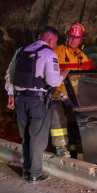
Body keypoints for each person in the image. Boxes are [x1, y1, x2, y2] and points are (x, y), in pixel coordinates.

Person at [5, 26, 62, 182]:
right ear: (50, 39)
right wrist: (62, 75)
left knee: (27, 137)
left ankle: (27, 170)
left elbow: (10, 74)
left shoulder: (21, 51)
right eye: (56, 42)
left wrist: (10, 93)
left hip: (20, 99)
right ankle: (35, 173)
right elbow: (52, 81)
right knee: (37, 138)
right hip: (37, 101)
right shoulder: (49, 53)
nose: (55, 45)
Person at [50, 23, 95, 157]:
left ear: (81, 40)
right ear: (67, 37)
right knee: (58, 119)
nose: (73, 40)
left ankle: (77, 146)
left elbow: (92, 70)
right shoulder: (57, 51)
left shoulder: (82, 56)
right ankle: (61, 148)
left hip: (73, 96)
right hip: (57, 93)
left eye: (76, 38)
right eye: (71, 37)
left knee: (78, 120)